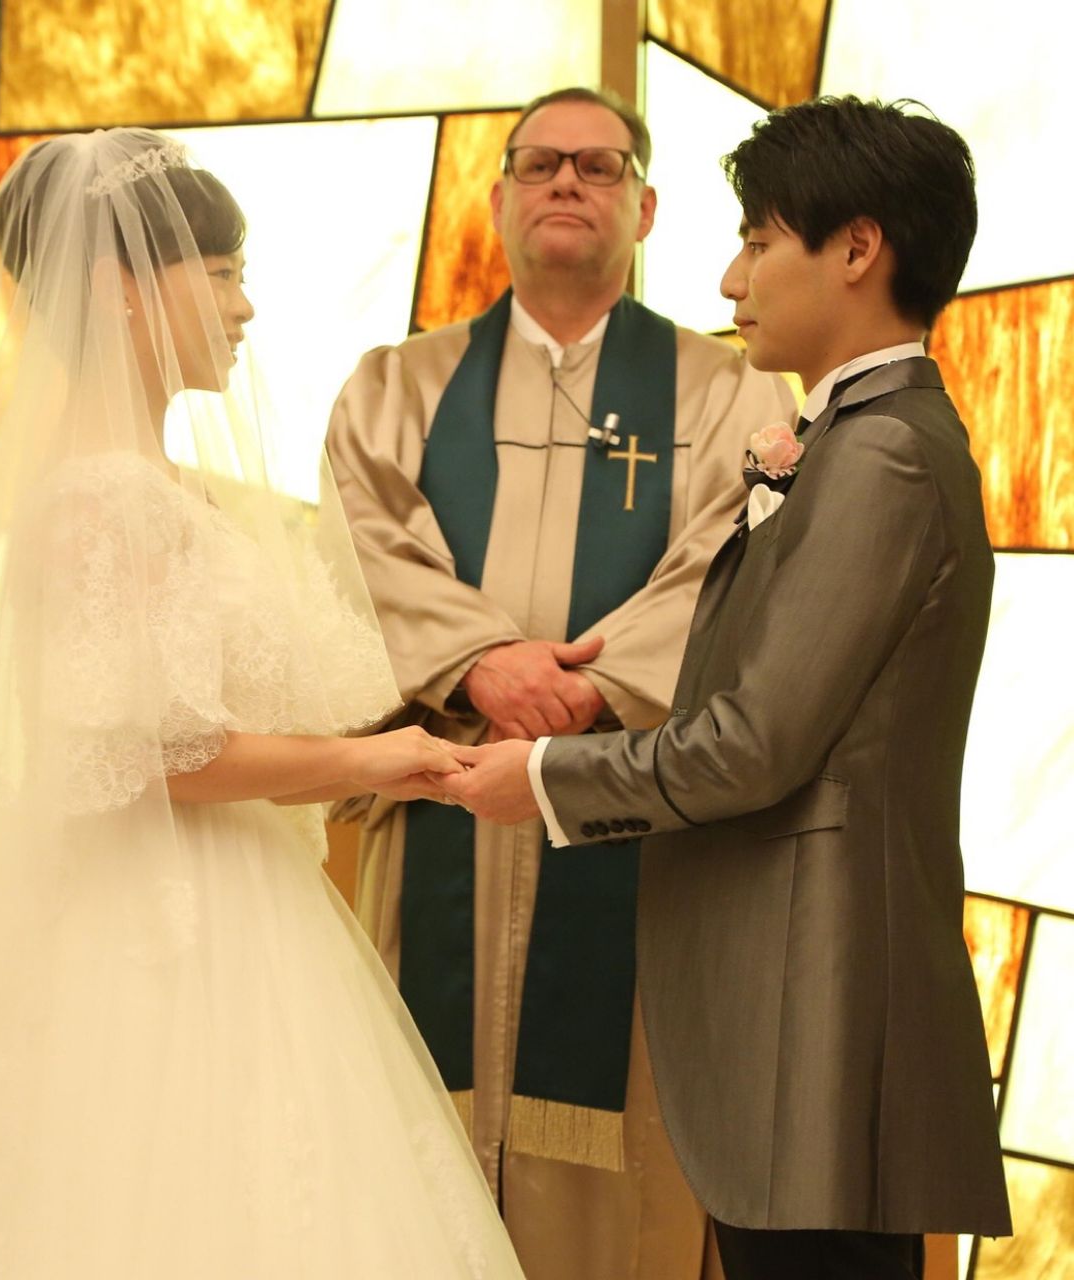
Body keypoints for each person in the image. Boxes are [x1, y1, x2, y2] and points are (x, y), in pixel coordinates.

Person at [0, 128, 530, 1277]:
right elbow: (152, 756)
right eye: (223, 274)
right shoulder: (104, 501)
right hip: (150, 923)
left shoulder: (153, 486)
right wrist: (373, 762)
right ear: (121, 287)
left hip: (225, 899)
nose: (244, 307)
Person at [440, 96, 1013, 1279]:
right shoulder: (848, 436)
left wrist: (541, 776)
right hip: (789, 1007)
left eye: (756, 242)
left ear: (856, 249)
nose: (727, 279)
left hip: (820, 1009)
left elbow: (751, 743)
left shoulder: (881, 452)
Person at [327, 85, 795, 1280]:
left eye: (598, 165)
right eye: (538, 164)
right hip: (443, 795)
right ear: (497, 201)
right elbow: (358, 549)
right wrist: (480, 660)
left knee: (617, 1160)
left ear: (646, 205)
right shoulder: (394, 387)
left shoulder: (729, 393)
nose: (566, 184)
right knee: (406, 1147)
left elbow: (729, 565)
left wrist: (595, 688)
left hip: (630, 814)